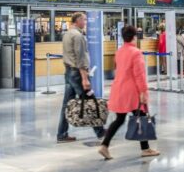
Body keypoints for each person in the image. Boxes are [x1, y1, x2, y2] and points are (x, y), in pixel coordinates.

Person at [98, 25, 160, 160]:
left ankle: (104, 145)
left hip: (119, 89)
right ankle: (146, 149)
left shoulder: (119, 51)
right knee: (142, 117)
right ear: (134, 37)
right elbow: (139, 75)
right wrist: (143, 91)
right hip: (133, 92)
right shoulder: (136, 52)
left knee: (119, 120)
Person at [57, 13, 105, 143]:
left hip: (68, 72)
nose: (85, 22)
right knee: (90, 101)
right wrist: (84, 78)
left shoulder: (67, 34)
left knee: (66, 105)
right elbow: (80, 58)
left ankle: (61, 134)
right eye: (84, 20)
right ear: (78, 21)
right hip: (77, 74)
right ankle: (100, 132)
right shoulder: (78, 36)